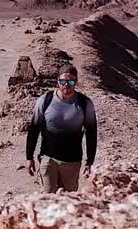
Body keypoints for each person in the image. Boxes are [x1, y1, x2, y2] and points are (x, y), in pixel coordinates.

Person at [25, 64, 97, 192]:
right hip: (48, 158)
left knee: (68, 200)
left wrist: (89, 161)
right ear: (57, 81)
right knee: (47, 197)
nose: (66, 85)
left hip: (72, 161)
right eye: (63, 81)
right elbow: (34, 129)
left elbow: (91, 133)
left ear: (76, 82)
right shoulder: (45, 100)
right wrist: (29, 157)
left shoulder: (85, 103)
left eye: (70, 81)